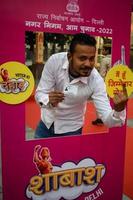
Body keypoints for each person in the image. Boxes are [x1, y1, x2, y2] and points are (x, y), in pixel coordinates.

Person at [35, 33, 128, 138]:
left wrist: (119, 110)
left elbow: (107, 119)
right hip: (45, 124)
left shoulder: (96, 80)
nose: (88, 64)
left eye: (92, 58)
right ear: (70, 56)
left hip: (71, 130)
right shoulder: (55, 62)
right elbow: (40, 93)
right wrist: (48, 99)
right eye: (82, 58)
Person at [92, 44, 111, 125]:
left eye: (103, 49)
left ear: (107, 50)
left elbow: (102, 74)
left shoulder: (105, 60)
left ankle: (100, 119)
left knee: (101, 99)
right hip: (115, 83)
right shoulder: (116, 58)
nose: (102, 51)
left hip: (106, 83)